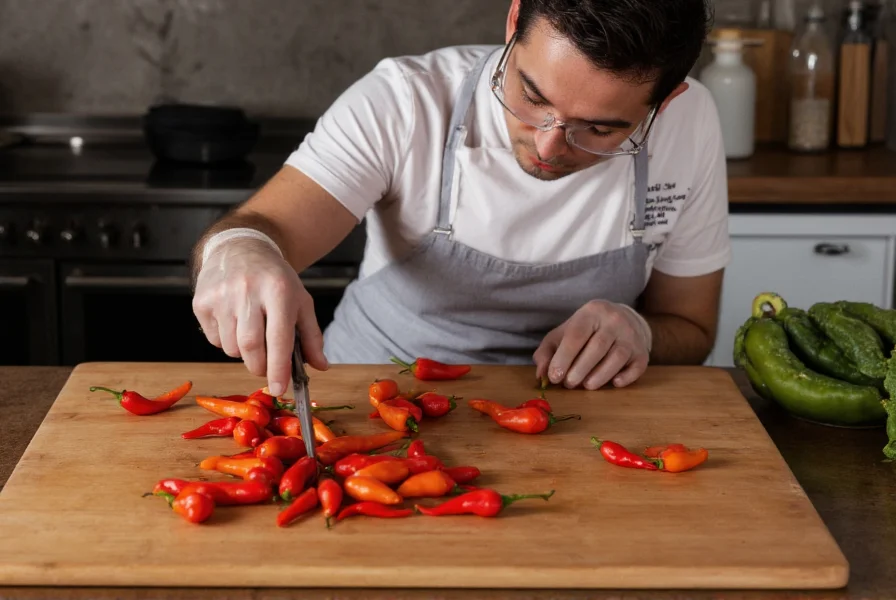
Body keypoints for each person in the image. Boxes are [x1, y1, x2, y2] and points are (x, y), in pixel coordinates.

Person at [190, 0, 730, 398]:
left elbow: (693, 328)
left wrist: (643, 332)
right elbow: (264, 226)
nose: (547, 144)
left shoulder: (691, 123)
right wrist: (240, 250)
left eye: (600, 128)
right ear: (514, 21)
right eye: (532, 96)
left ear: (668, 99)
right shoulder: (406, 100)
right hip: (372, 395)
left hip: (578, 417)